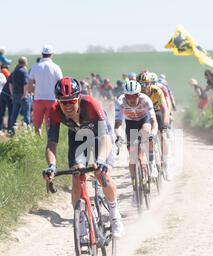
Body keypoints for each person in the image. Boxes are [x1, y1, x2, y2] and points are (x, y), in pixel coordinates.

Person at [44, 77, 124, 239]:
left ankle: (115, 217)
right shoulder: (54, 111)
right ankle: (80, 223)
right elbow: (51, 143)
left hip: (101, 136)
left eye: (71, 101)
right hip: (79, 137)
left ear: (79, 98)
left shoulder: (91, 105)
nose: (67, 106)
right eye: (63, 102)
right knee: (76, 173)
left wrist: (100, 160)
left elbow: (105, 139)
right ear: (57, 101)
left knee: (102, 174)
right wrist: (51, 165)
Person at [114, 80, 158, 206]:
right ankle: (135, 190)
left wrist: (153, 133)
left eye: (135, 96)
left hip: (144, 120)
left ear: (139, 95)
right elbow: (117, 124)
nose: (132, 99)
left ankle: (150, 162)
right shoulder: (120, 101)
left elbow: (154, 121)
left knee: (145, 133)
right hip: (131, 124)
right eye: (129, 96)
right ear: (125, 95)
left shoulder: (145, 100)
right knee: (133, 159)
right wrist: (119, 136)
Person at [137, 72, 171, 180]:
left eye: (145, 84)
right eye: (140, 85)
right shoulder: (137, 94)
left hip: (157, 111)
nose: (143, 87)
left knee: (163, 136)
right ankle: (150, 162)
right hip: (145, 114)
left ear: (150, 84)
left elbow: (165, 109)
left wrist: (165, 126)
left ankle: (166, 163)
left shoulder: (156, 90)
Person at [28, 45, 63, 136]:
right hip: (52, 99)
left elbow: (30, 83)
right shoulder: (56, 67)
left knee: (37, 125)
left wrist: (32, 92)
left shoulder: (35, 67)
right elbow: (60, 83)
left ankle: (38, 142)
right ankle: (49, 142)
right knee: (49, 125)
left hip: (38, 98)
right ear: (52, 54)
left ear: (42, 54)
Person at [9, 57, 31, 134]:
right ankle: (28, 132)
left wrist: (12, 94)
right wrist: (25, 94)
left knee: (14, 114)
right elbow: (25, 84)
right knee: (26, 115)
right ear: (25, 62)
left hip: (15, 95)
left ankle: (11, 131)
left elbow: (10, 83)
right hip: (23, 95)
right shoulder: (24, 71)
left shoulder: (14, 71)